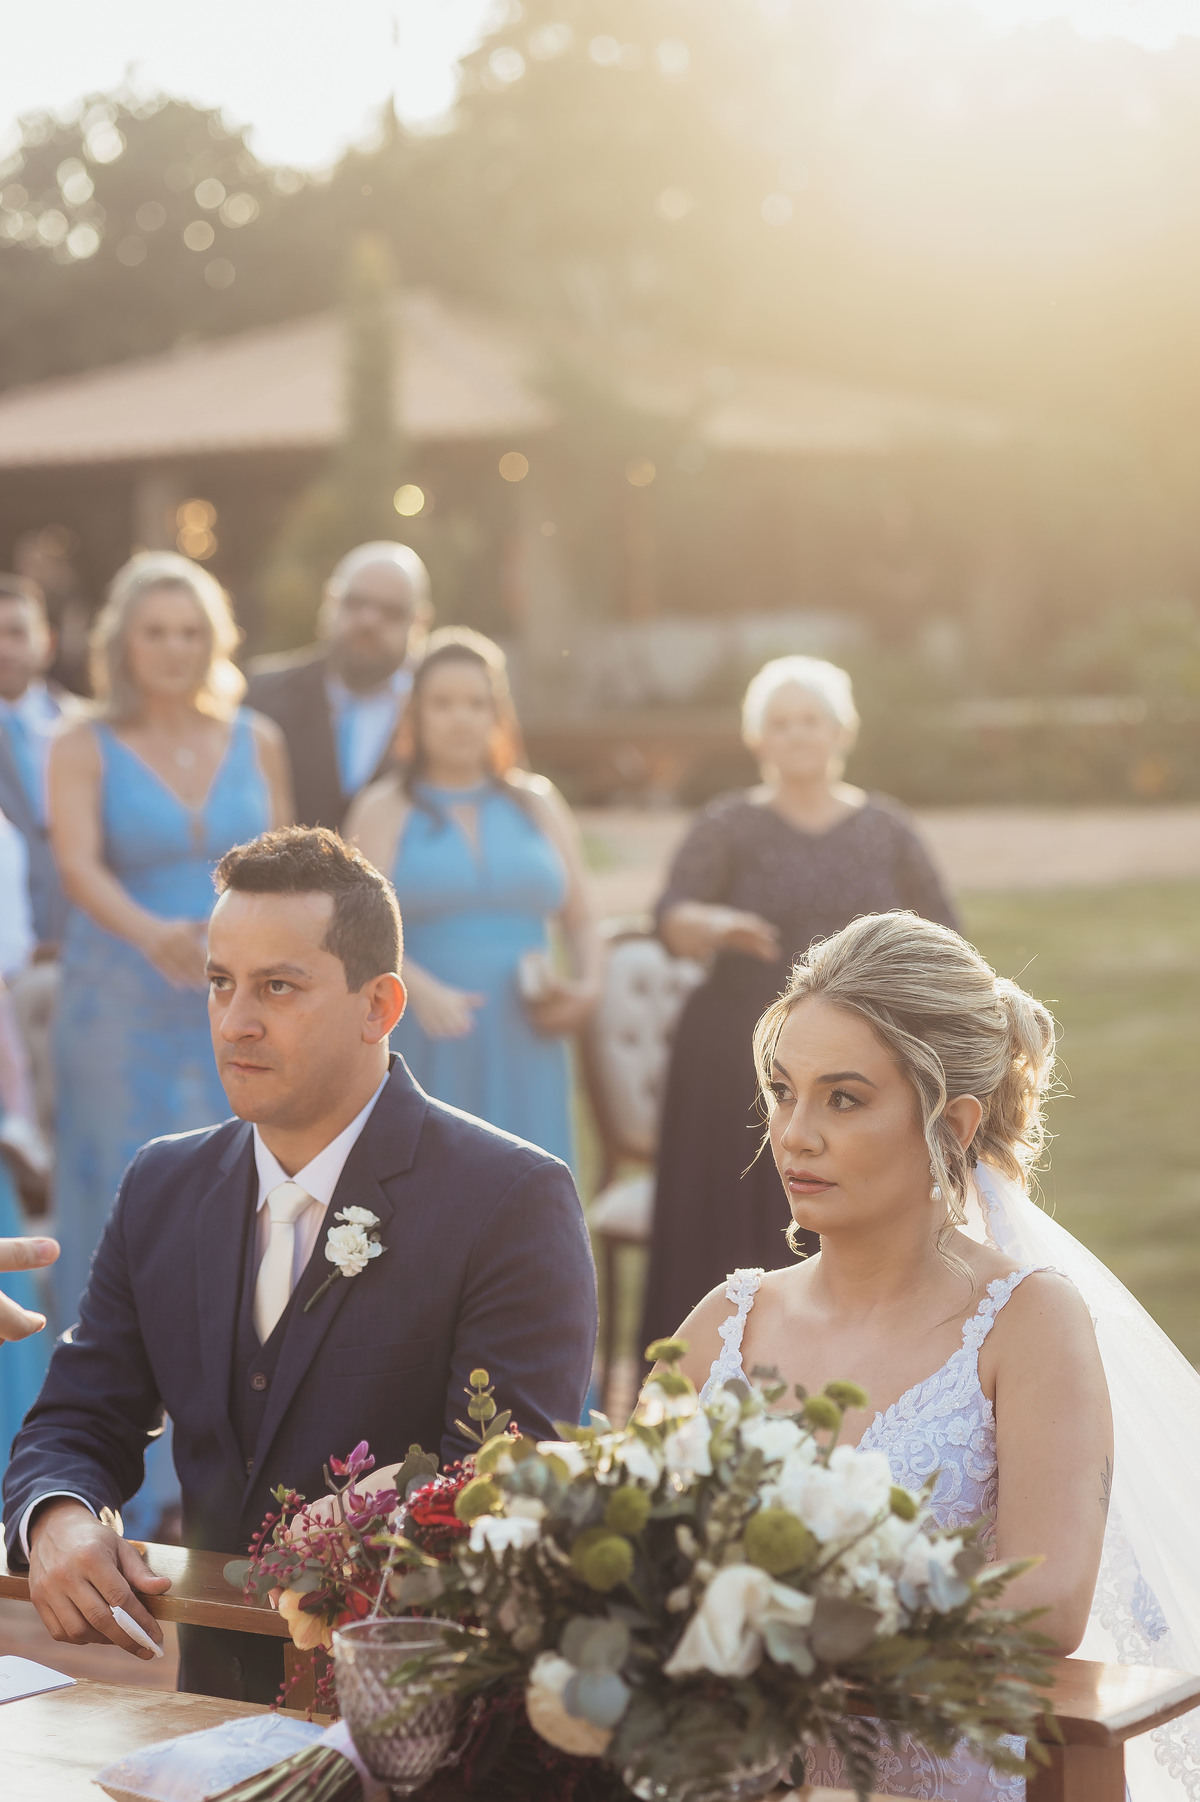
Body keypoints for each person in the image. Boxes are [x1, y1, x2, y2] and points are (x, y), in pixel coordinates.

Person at [2, 827, 598, 1704]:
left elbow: (507, 1487)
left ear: (380, 1007)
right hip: (203, 1715)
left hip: (426, 1729)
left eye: (278, 987)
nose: (236, 1020)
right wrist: (56, 1520)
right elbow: (80, 1416)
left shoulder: (511, 1199)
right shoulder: (164, 1183)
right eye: (219, 983)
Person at [670, 910, 1200, 1800]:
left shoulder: (1025, 1323)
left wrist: (771, 1618)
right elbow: (610, 1539)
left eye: (844, 1098)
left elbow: (1049, 1608)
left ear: (951, 1124)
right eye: (781, 1089)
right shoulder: (726, 1319)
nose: (795, 1134)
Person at [641, 655, 958, 1347]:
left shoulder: (887, 828)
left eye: (810, 720)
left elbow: (945, 934)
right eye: (780, 723)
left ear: (841, 731)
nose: (796, 735)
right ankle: (715, 1358)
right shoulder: (727, 823)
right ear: (758, 738)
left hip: (864, 1060)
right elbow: (669, 915)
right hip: (739, 1056)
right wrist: (712, 925)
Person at [48, 553, 292, 1331]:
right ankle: (106, 1429)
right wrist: (154, 935)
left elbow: (291, 859)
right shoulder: (81, 742)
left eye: (191, 631)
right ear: (122, 643)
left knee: (241, 1196)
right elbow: (77, 867)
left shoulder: (259, 739)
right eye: (155, 632)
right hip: (117, 1008)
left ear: (215, 640)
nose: (174, 648)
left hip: (242, 1001)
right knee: (127, 1203)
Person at [346, 628, 602, 1170]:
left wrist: (587, 990)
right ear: (415, 713)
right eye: (443, 704)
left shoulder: (537, 802)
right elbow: (351, 928)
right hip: (426, 1032)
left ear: (497, 714)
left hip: (529, 1038)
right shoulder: (383, 807)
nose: (461, 718)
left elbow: (580, 917)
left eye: (475, 703)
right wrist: (415, 987)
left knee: (533, 1185)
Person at [247, 542, 432, 830]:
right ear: (329, 601)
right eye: (355, 602)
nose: (369, 620)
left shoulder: (440, 705)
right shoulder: (260, 694)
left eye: (391, 611)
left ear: (420, 621)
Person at [0, 572, 71, 951]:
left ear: (48, 642)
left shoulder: (91, 728)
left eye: (16, 633)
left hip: (89, 951)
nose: (5, 648)